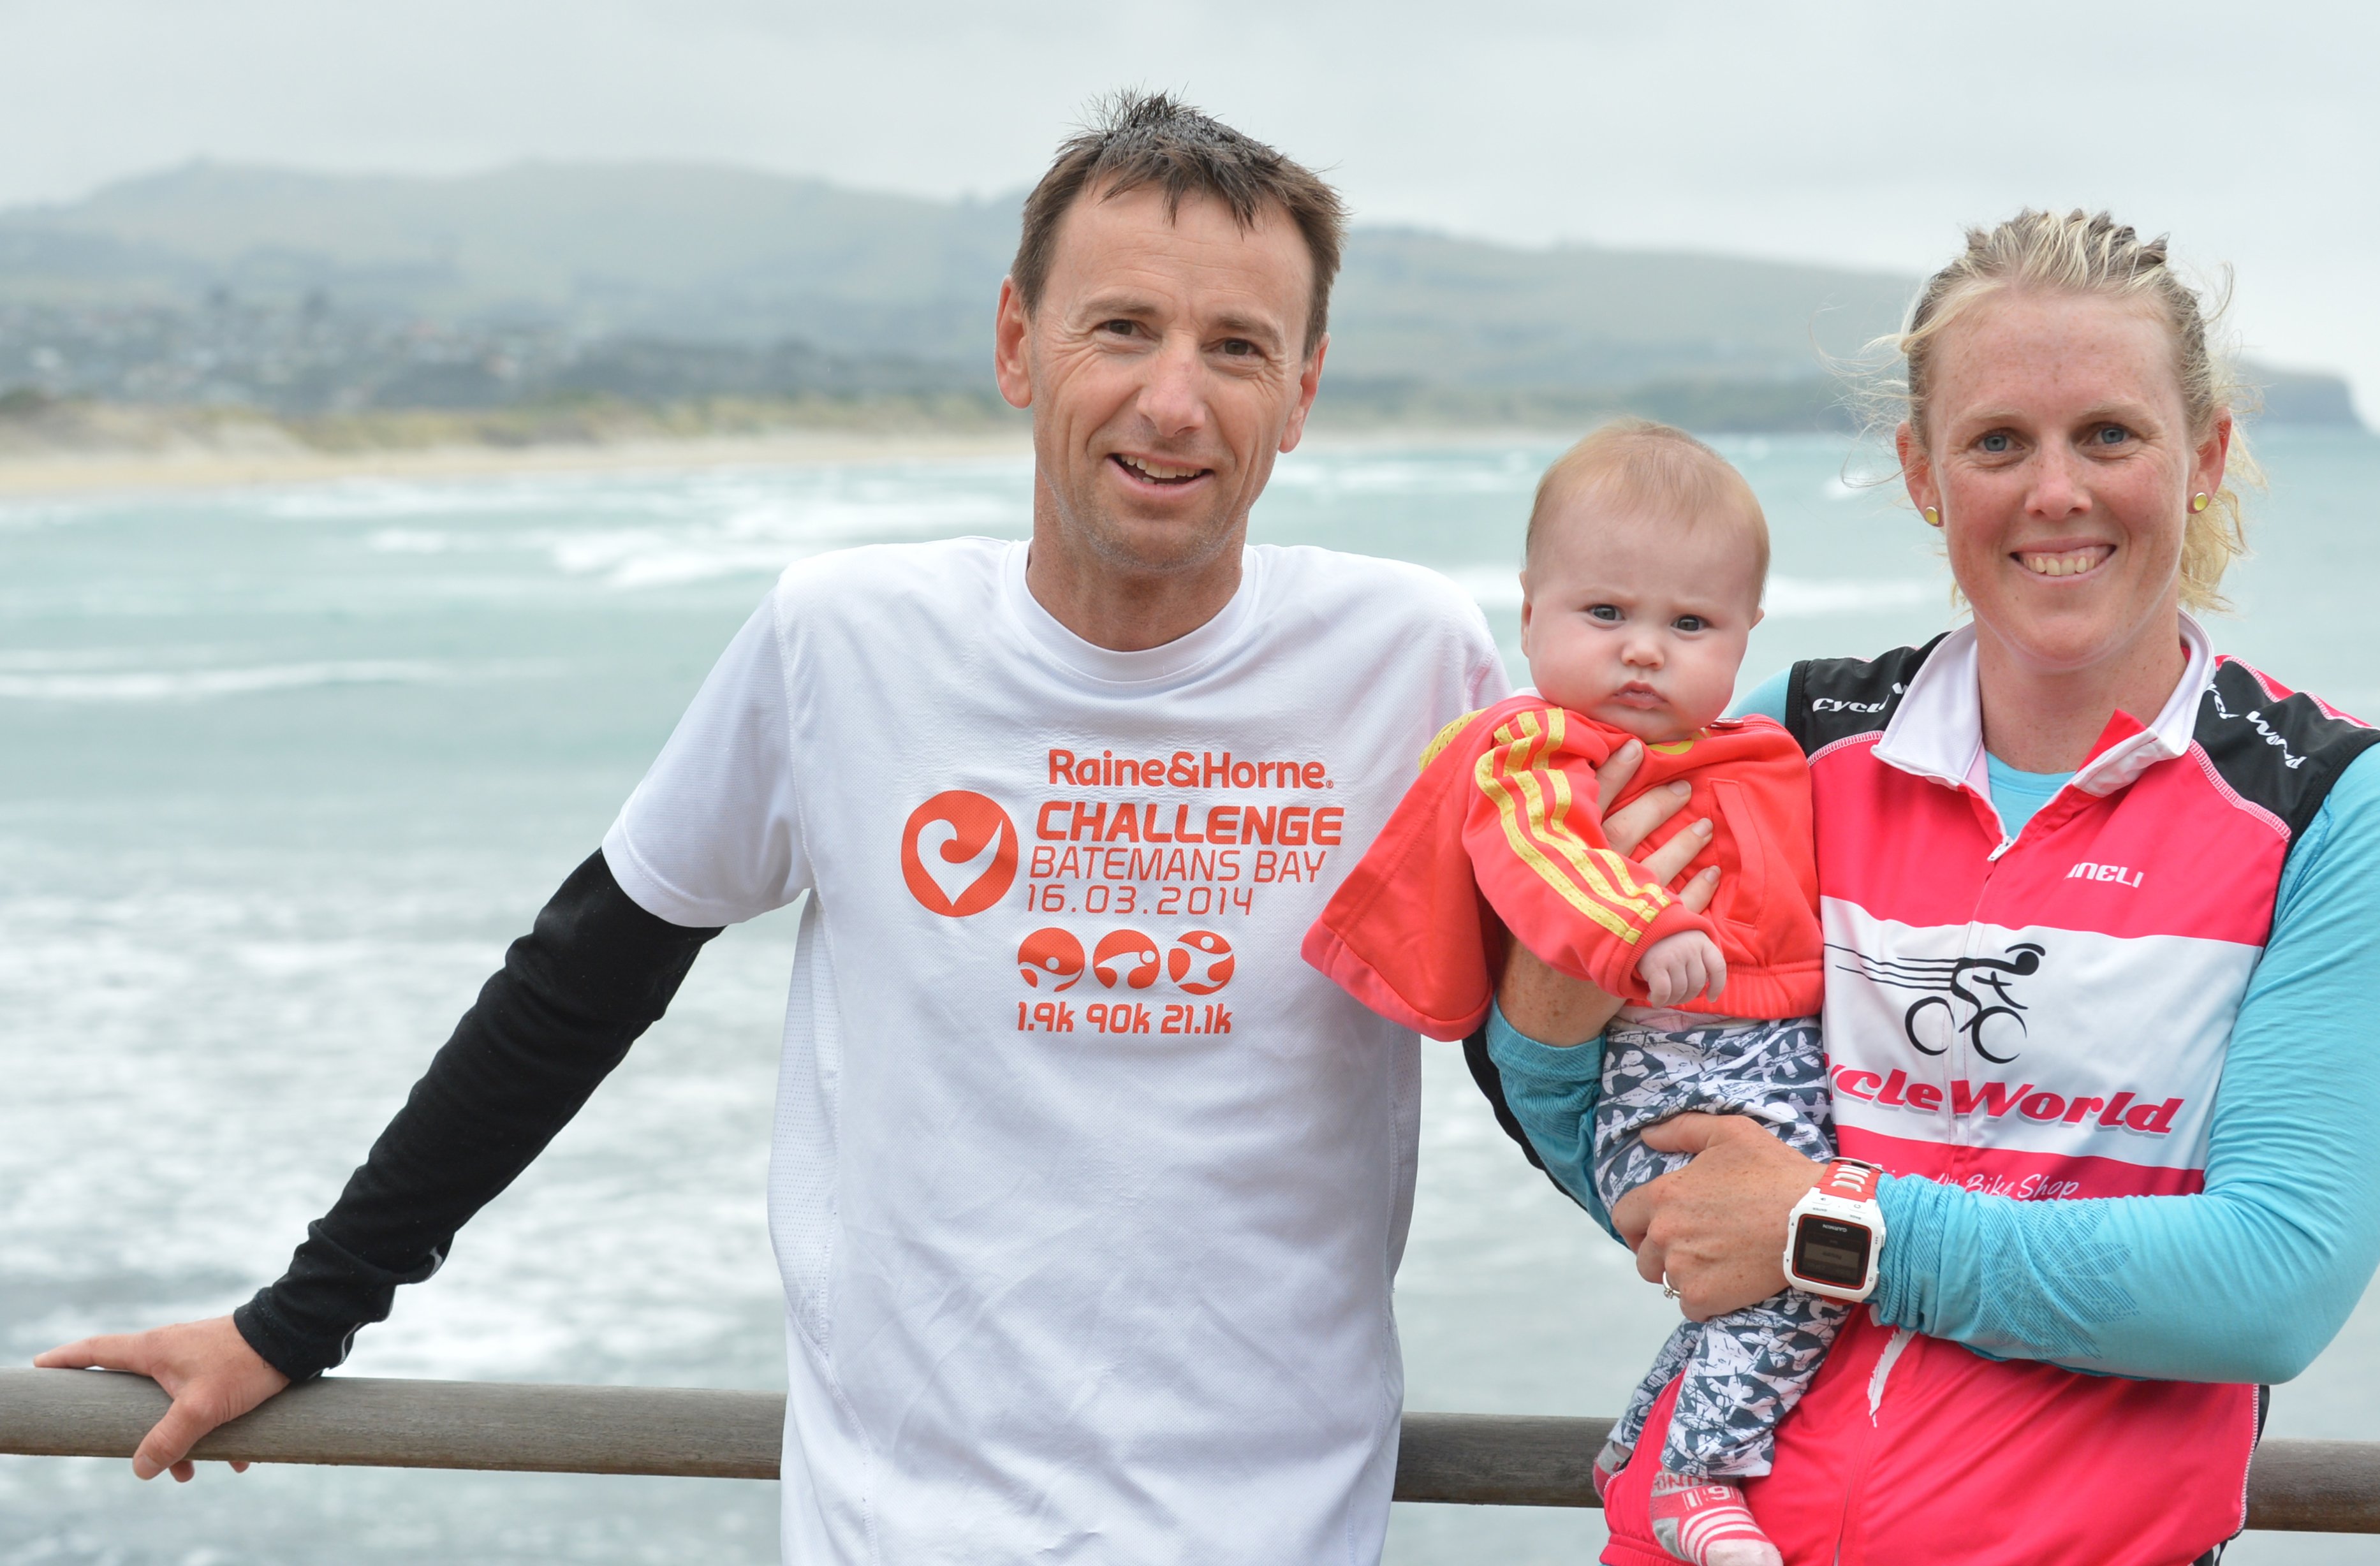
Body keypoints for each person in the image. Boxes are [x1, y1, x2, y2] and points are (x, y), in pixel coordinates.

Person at [39, 92, 1508, 1563]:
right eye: (1120, 328)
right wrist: (297, 1320)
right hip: (899, 1532)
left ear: (1304, 389)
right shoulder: (843, 642)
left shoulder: (1410, 665)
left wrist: (1748, 1268)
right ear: (1016, 343)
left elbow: (1557, 1040)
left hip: (1278, 1532)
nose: (1174, 401)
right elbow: (580, 985)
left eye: (1236, 347)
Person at [1474, 210, 2380, 1566]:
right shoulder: (1793, 742)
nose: (2054, 490)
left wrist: (1829, 1227)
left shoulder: (2333, 804)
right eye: (1998, 442)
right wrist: (1560, 989)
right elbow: (1610, 1117)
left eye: (2108, 434)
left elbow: (2271, 1283)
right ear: (1924, 473)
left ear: (2207, 455)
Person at [1304, 421, 1835, 1565]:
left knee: (1789, 1278)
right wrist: (1640, 926)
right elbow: (1546, 861)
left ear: (1747, 638)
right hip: (1661, 1073)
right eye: (1606, 615)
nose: (1644, 651)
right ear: (1531, 610)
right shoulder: (1535, 750)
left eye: (1689, 625)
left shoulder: (1759, 752)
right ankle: (1693, 1478)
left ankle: (1643, 1446)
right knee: (1811, 1257)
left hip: (1765, 1061)